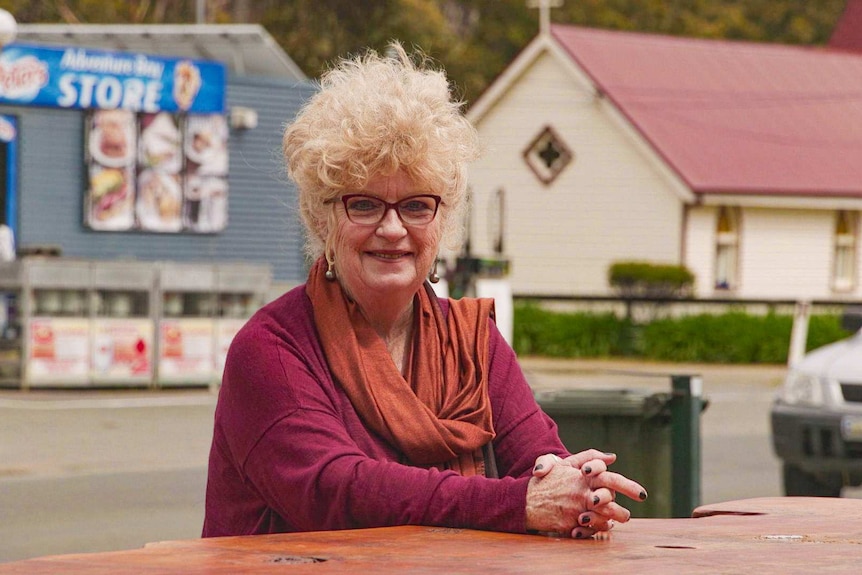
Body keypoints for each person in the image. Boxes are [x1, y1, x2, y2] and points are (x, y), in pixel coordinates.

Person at [202, 42, 646, 540]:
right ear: (322, 217)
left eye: (416, 206)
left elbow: (539, 459)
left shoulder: (472, 342)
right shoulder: (271, 350)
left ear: (442, 223)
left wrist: (579, 486)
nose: (392, 229)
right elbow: (338, 493)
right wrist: (519, 501)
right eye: (365, 205)